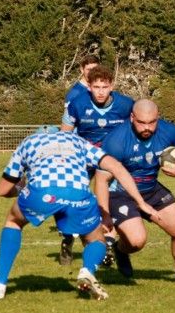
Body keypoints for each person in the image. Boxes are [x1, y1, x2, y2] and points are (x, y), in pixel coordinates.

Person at [0, 125, 156, 301]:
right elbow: (116, 166)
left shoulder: (29, 142)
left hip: (42, 192)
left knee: (14, 222)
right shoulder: (76, 140)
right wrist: (140, 202)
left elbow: (2, 190)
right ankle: (87, 271)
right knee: (95, 239)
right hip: (78, 192)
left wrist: (20, 189)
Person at [94, 99, 175, 284]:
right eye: (141, 122)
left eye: (151, 122)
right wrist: (104, 214)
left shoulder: (168, 130)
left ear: (158, 118)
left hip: (151, 189)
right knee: (137, 241)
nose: (146, 127)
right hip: (120, 193)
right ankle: (122, 250)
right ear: (132, 117)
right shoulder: (116, 140)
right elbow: (101, 180)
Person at [60, 64, 135, 266]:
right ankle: (68, 235)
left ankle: (108, 243)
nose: (100, 92)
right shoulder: (77, 104)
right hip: (84, 156)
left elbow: (137, 129)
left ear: (112, 86)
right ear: (89, 86)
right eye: (96, 87)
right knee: (71, 197)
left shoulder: (126, 105)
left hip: (112, 158)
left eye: (104, 87)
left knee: (115, 200)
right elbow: (65, 134)